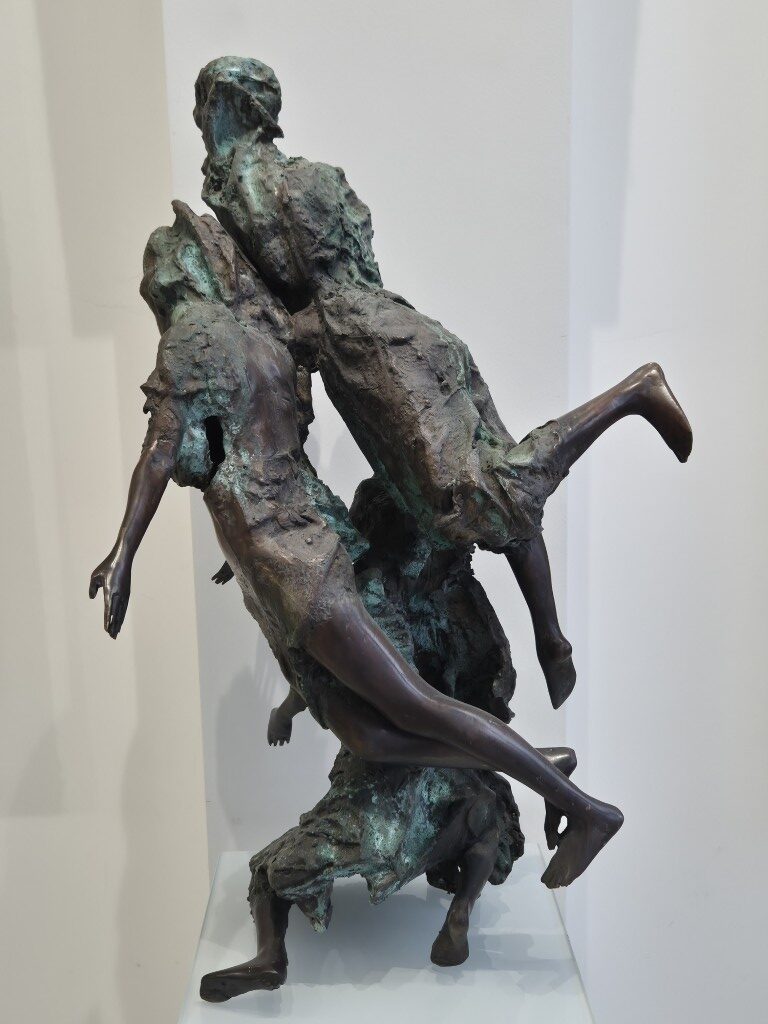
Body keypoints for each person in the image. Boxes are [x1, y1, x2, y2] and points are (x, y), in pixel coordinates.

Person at [90, 201, 625, 896]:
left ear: (167, 282)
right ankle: (537, 765)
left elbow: (163, 449)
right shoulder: (262, 335)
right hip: (307, 550)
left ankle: (582, 807)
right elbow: (264, 452)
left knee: (414, 707)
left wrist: (122, 553)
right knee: (373, 733)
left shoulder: (192, 339)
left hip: (295, 572)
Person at [192, 56, 693, 709]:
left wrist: (259, 475)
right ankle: (551, 640)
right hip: (402, 333)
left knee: (476, 491)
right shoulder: (301, 181)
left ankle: (632, 395)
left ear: (235, 106)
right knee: (480, 476)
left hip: (367, 352)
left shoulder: (252, 189)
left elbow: (288, 324)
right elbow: (339, 286)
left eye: (205, 104)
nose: (198, 119)